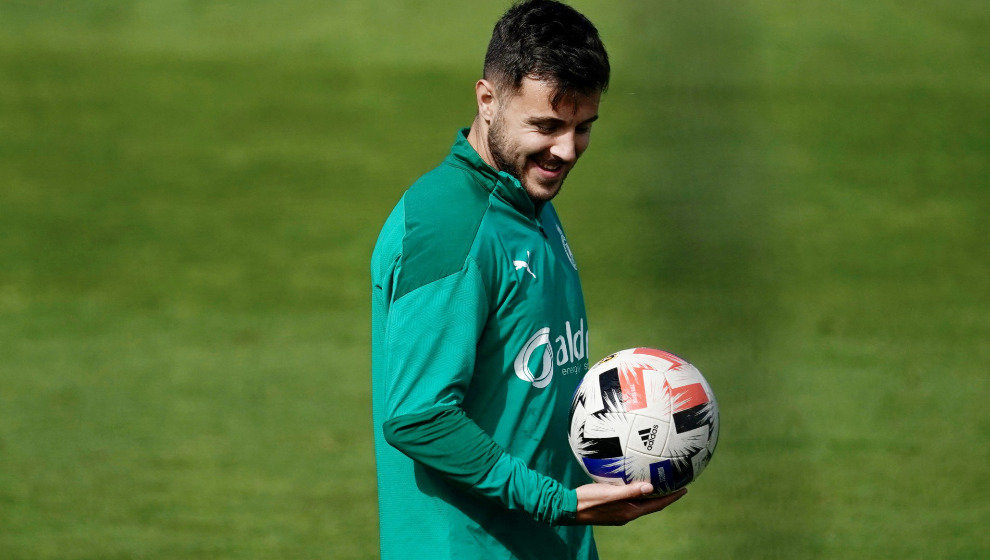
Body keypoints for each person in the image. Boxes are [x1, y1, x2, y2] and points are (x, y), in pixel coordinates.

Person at [370, 2, 685, 558]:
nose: (566, 151)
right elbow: (418, 416)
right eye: (547, 126)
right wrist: (558, 501)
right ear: (487, 99)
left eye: (583, 128)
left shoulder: (526, 200)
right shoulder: (449, 226)